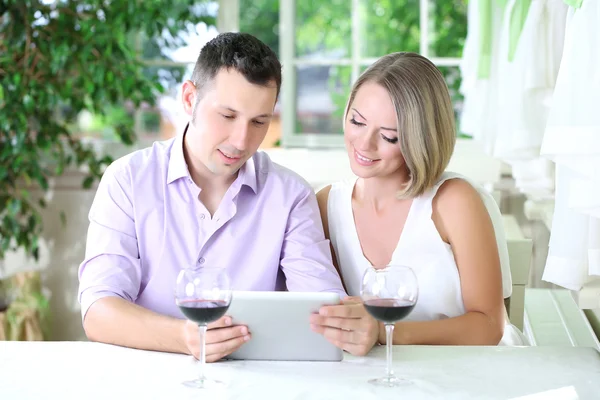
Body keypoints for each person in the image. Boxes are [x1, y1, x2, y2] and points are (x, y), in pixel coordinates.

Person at [78, 32, 345, 363]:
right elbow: (98, 311)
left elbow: (324, 311)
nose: (241, 140)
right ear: (190, 99)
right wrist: (184, 337)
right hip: (145, 378)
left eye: (259, 121)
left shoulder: (291, 196)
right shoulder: (128, 181)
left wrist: (354, 327)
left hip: (257, 382)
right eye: (228, 116)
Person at [310, 52, 526, 355]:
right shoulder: (326, 206)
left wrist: (384, 333)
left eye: (389, 137)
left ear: (420, 139)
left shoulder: (454, 202)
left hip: (472, 373)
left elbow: (489, 326)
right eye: (357, 121)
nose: (364, 143)